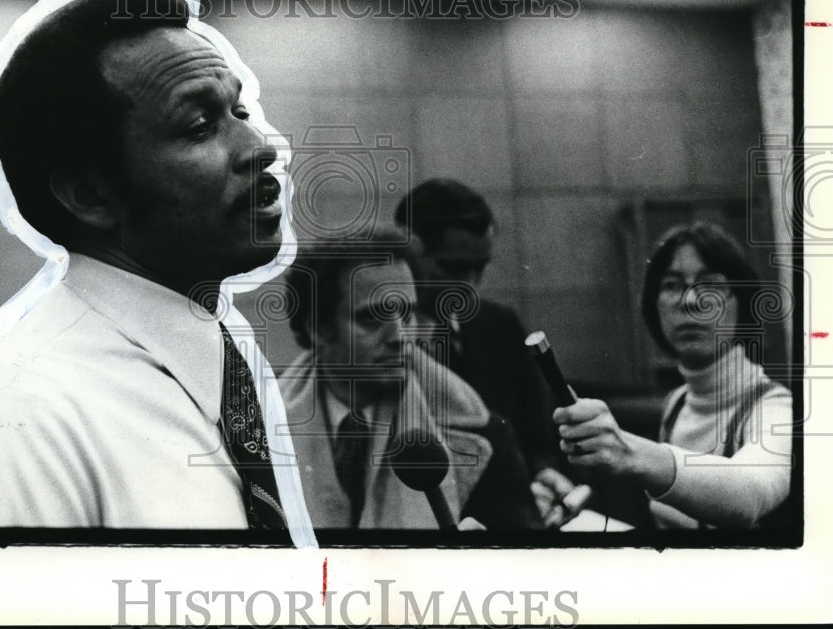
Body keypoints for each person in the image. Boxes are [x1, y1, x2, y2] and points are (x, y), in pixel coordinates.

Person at [0, 0, 315, 545]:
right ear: (91, 195)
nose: (260, 147)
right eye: (198, 126)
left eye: (239, 112)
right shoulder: (13, 423)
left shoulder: (221, 374)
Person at [279, 230, 542, 531]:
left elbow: (526, 560)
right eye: (372, 318)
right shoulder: (253, 432)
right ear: (319, 329)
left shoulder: (482, 436)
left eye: (407, 315)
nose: (400, 337)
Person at [554, 222, 792, 529]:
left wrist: (630, 453)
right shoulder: (677, 404)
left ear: (742, 304)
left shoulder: (775, 407)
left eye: (710, 285)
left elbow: (752, 493)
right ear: (654, 306)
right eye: (672, 285)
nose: (690, 301)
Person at [394, 178, 578, 526]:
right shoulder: (378, 346)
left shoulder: (500, 325)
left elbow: (539, 436)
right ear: (411, 252)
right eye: (454, 268)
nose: (471, 285)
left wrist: (543, 479)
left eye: (480, 267)